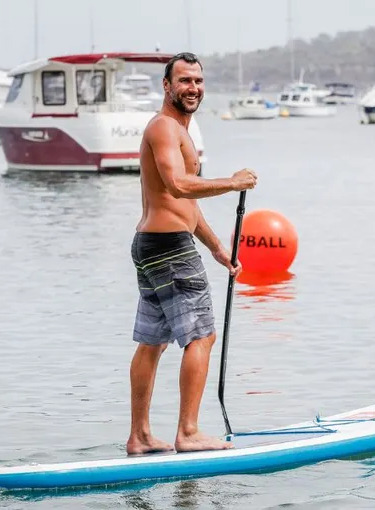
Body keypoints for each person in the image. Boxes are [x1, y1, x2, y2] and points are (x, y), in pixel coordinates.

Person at [128, 52, 257, 455]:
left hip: (151, 246)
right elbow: (178, 185)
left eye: (198, 81)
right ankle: (189, 432)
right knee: (201, 334)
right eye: (184, 81)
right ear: (166, 86)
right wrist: (232, 183)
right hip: (169, 250)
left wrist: (218, 248)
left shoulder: (180, 130)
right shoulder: (165, 128)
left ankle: (141, 436)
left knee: (153, 343)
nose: (193, 88)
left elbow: (183, 206)